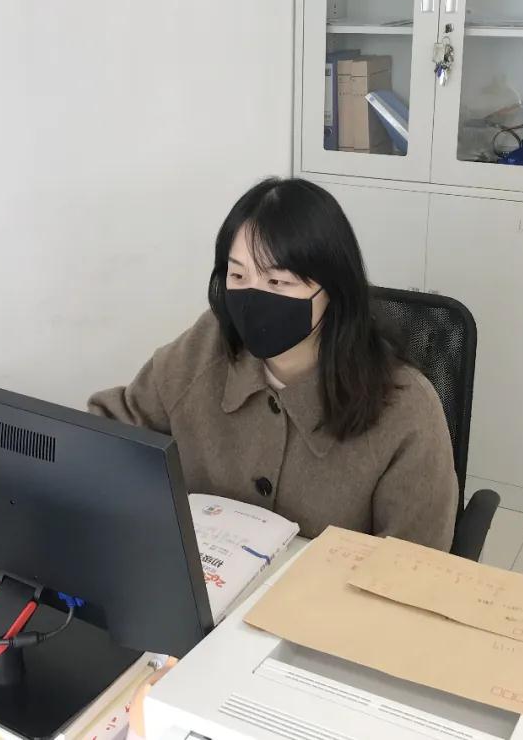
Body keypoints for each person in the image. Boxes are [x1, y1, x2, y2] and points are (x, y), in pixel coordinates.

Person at [88, 177, 457, 549]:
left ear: (333, 290)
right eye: (238, 275)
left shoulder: (406, 408)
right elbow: (107, 431)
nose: (253, 299)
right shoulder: (207, 344)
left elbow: (415, 567)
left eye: (277, 281)